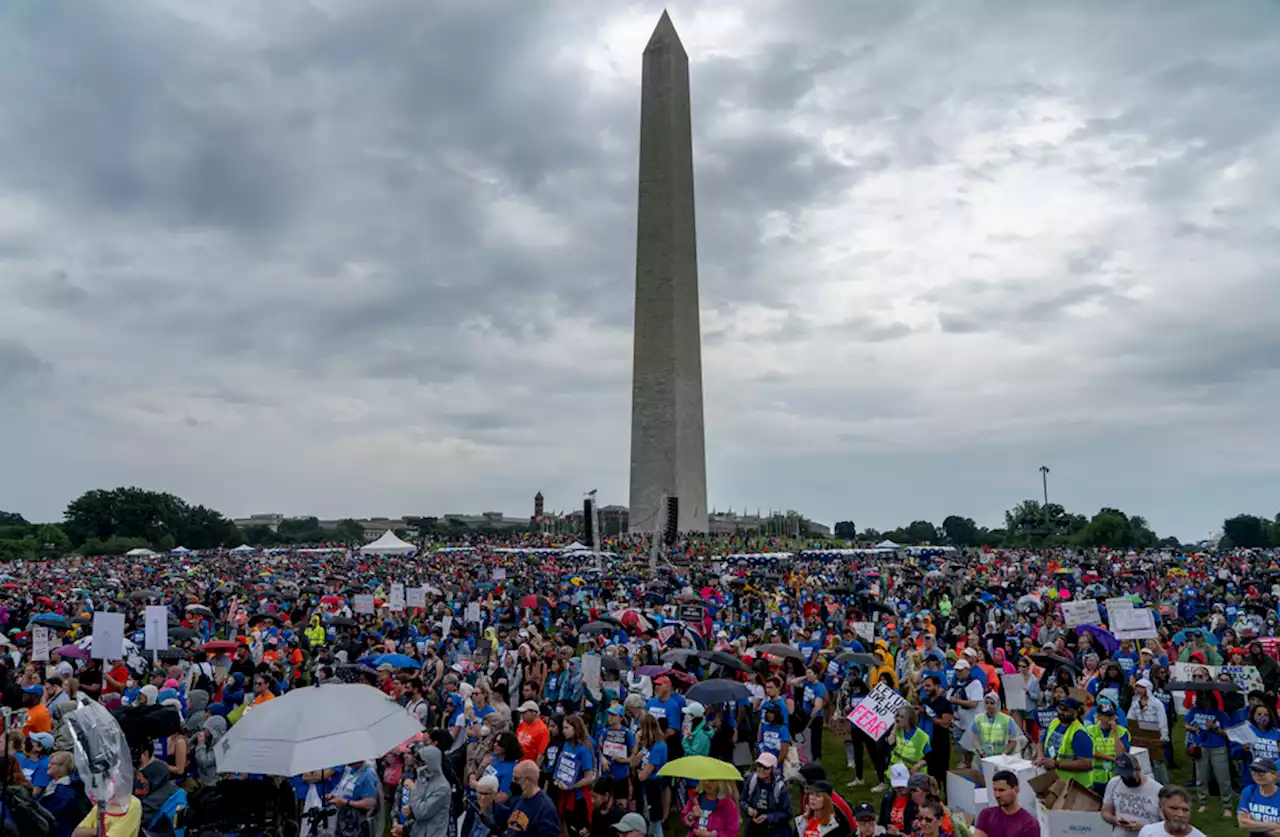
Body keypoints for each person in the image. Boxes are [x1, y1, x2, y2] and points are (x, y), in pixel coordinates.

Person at [1035, 698, 1093, 785]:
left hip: (1074, 785)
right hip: (1055, 779)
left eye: (1066, 710)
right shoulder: (1055, 723)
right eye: (1060, 709)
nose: (1061, 712)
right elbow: (1041, 741)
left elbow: (1087, 763)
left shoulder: (1079, 733)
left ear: (1075, 713)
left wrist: (1056, 764)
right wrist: (1040, 755)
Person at [1102, 754, 1163, 837]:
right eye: (1122, 775)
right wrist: (1115, 820)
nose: (1125, 779)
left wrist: (1142, 828)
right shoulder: (1114, 783)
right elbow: (1105, 811)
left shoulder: (1158, 790)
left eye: (1128, 776)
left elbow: (1166, 825)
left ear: (1139, 769)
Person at [504, 760, 561, 837]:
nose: (513, 782)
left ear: (528, 780)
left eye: (516, 779)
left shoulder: (546, 809)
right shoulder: (518, 799)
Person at [973, 770, 1038, 837]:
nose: (997, 795)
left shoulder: (1029, 824)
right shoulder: (987, 815)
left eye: (1001, 790)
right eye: (995, 790)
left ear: (1016, 790)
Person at [741, 751, 791, 837]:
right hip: (753, 828)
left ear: (772, 769)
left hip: (773, 829)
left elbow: (787, 813)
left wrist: (768, 817)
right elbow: (742, 800)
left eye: (766, 767)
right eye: (759, 766)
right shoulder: (751, 780)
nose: (761, 769)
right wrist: (747, 809)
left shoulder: (779, 787)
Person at [406, 745, 452, 837]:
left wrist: (414, 789)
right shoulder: (422, 779)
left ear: (431, 762)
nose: (418, 767)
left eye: (422, 764)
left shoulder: (442, 788)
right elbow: (413, 806)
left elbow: (420, 813)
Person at [39, 751, 88, 837]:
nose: (48, 766)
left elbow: (52, 814)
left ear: (62, 767)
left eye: (53, 763)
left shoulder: (64, 790)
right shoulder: (54, 785)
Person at [1088, 704, 1131, 795]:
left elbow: (1122, 754)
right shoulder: (1090, 731)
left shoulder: (1122, 732)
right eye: (1107, 716)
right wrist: (1112, 758)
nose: (1111, 719)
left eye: (1112, 716)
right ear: (1098, 717)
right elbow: (1091, 752)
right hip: (1096, 778)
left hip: (1116, 778)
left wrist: (1115, 733)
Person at [1135, 786, 1205, 837]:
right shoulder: (1147, 832)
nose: (1180, 814)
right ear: (1161, 807)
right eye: (1174, 808)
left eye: (1185, 810)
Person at [1238, 757, 1280, 833]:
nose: (1257, 775)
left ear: (1274, 774)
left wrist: (1253, 824)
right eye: (1253, 771)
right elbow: (1243, 823)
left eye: (1262, 771)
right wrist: (1274, 826)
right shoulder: (1249, 791)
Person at [971, 694, 1019, 758]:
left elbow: (1013, 741)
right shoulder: (978, 719)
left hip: (1002, 755)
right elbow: (975, 737)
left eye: (992, 703)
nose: (989, 706)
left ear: (997, 704)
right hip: (983, 755)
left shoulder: (1007, 720)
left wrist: (1003, 755)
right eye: (987, 703)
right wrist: (981, 752)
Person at [72, 794, 142, 837]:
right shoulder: (103, 802)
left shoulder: (132, 804)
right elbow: (76, 833)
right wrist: (97, 831)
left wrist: (89, 833)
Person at [878, 764, 916, 837]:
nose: (900, 789)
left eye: (903, 786)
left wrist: (899, 833)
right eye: (897, 787)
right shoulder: (887, 798)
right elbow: (882, 822)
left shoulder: (915, 799)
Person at [516, 701, 551, 766]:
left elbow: (541, 754)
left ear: (534, 713)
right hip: (517, 761)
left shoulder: (543, 730)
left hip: (528, 765)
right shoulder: (522, 724)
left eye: (524, 712)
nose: (521, 715)